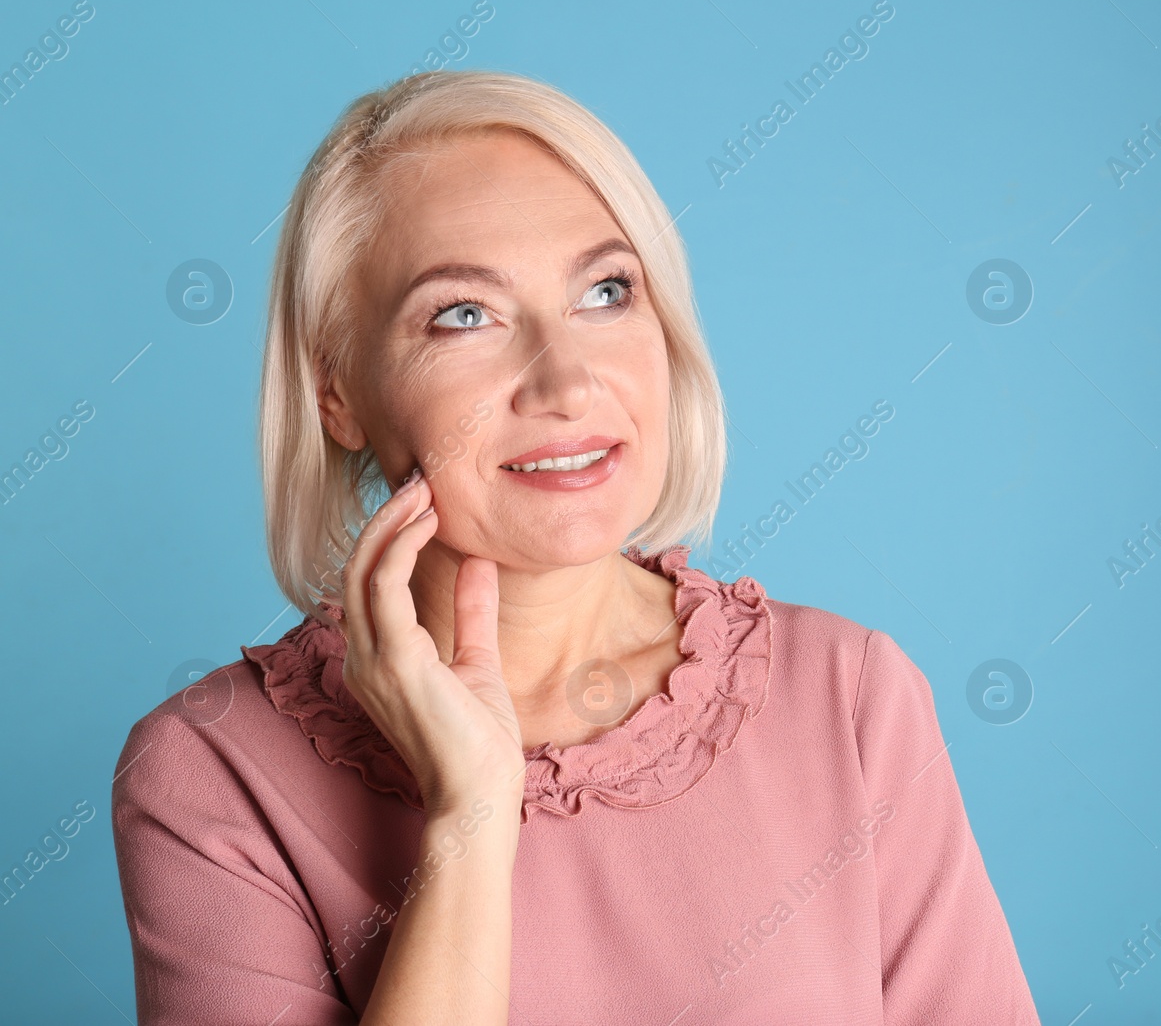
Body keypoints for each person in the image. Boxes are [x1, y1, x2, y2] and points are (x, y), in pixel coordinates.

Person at [110, 68, 1040, 1024]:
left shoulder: (850, 699)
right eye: (463, 314)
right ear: (337, 392)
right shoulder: (211, 775)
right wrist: (469, 816)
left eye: (606, 291)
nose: (564, 380)